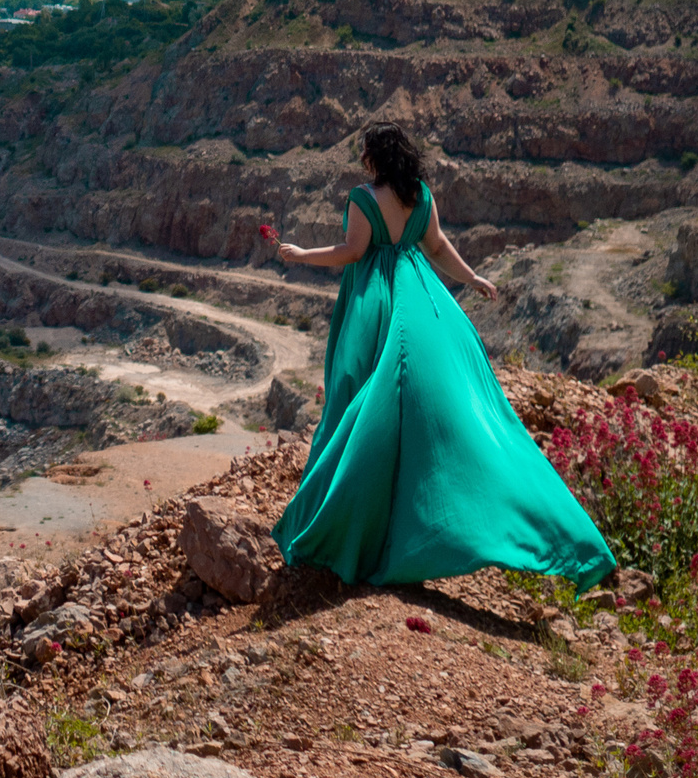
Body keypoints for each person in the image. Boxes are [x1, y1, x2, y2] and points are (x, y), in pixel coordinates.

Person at [255, 124, 616, 591]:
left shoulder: (362, 198)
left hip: (375, 301)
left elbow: (353, 251)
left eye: (364, 151)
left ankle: (343, 525)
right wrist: (472, 279)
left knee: (353, 398)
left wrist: (302, 254)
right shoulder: (420, 194)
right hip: (422, 293)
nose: (361, 157)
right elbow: (439, 246)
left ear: (374, 157)